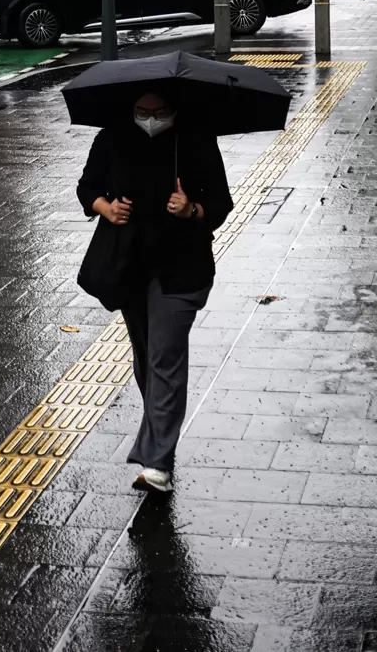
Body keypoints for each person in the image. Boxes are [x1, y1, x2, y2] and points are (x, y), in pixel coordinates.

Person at [76, 91, 234, 493]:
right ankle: (162, 437)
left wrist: (192, 210)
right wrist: (105, 207)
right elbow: (87, 187)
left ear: (175, 109)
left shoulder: (195, 139)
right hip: (129, 267)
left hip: (180, 270)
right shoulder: (112, 137)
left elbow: (220, 202)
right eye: (143, 112)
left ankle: (157, 462)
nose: (151, 119)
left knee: (165, 355)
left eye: (160, 112)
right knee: (147, 358)